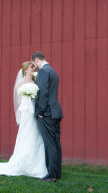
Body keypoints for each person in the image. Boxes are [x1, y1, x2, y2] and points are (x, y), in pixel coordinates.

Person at [0, 61, 47, 178]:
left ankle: (37, 165)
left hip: (35, 112)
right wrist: (27, 98)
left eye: (34, 68)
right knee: (27, 135)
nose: (33, 70)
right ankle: (23, 164)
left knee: (36, 135)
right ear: (25, 70)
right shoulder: (20, 83)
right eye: (31, 68)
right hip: (26, 112)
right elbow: (19, 100)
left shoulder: (35, 81)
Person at [31, 51, 64, 182]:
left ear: (37, 60)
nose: (35, 66)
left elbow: (43, 93)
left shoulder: (44, 71)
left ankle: (51, 175)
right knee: (56, 143)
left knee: (50, 144)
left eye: (34, 63)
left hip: (47, 113)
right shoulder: (54, 71)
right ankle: (56, 173)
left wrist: (40, 112)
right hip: (56, 112)